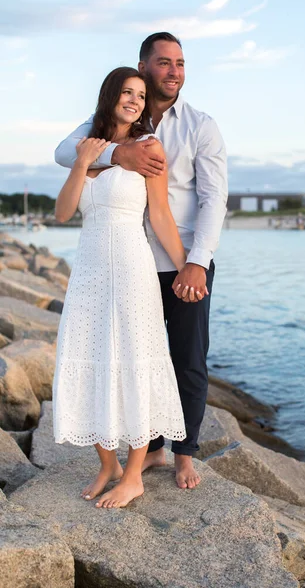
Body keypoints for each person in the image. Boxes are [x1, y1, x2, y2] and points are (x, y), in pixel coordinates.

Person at [55, 32, 228, 490]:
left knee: (186, 359)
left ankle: (183, 455)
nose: (174, 71)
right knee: (124, 355)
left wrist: (197, 263)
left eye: (181, 63)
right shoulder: (98, 131)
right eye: (164, 62)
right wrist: (115, 153)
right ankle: (145, 453)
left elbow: (211, 200)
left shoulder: (198, 126)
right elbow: (63, 155)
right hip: (116, 266)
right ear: (143, 66)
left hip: (182, 257)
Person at [52, 66, 188, 509]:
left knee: (134, 358)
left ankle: (134, 475)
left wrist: (188, 267)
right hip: (89, 269)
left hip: (132, 266)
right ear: (110, 94)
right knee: (89, 354)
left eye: (140, 95)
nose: (134, 100)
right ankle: (107, 464)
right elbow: (63, 212)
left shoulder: (149, 147)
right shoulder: (89, 147)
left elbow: (162, 215)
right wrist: (83, 161)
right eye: (127, 92)